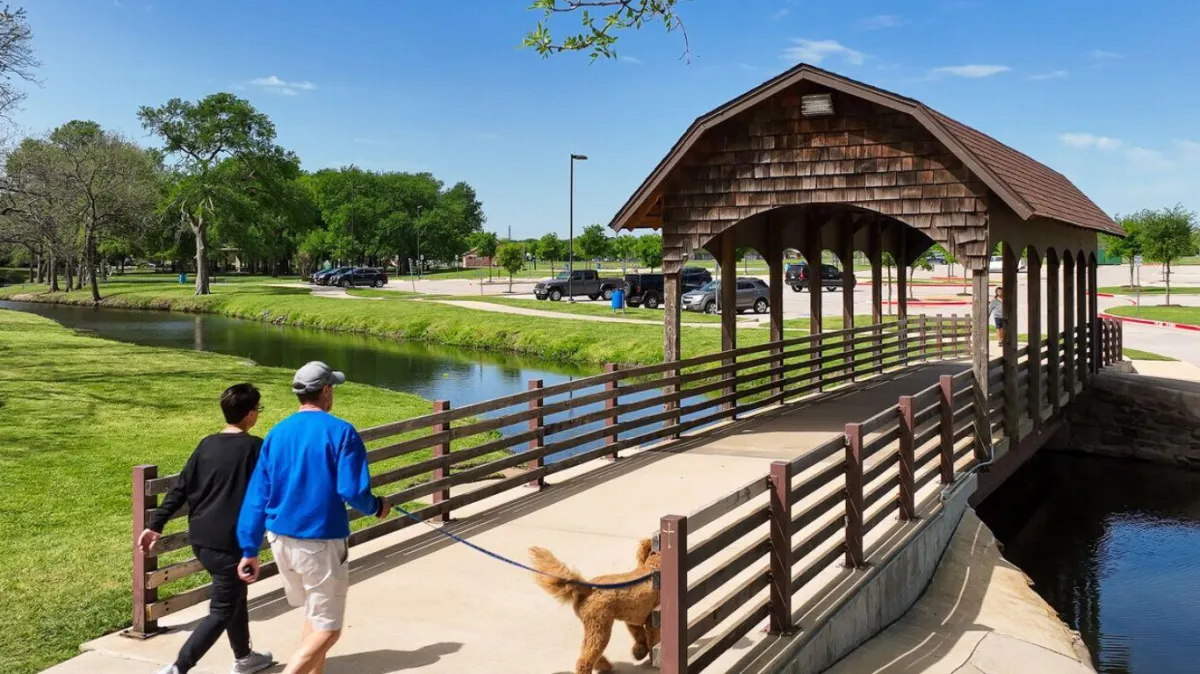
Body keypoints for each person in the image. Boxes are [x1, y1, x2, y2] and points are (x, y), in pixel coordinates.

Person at [236, 362, 390, 674]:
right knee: (329, 629)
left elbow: (257, 496)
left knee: (314, 612)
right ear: (326, 390)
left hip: (279, 540)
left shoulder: (277, 433)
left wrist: (249, 549)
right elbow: (352, 490)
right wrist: (377, 507)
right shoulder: (341, 432)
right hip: (320, 542)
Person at [139, 384, 274, 674]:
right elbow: (274, 490)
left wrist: (155, 524)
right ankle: (178, 668)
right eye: (257, 410)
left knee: (235, 596)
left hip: (202, 540)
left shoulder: (207, 444)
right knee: (223, 609)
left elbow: (180, 488)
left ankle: (245, 657)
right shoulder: (256, 448)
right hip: (231, 544)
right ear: (251, 415)